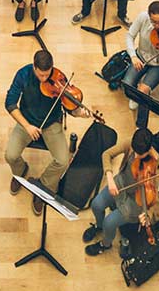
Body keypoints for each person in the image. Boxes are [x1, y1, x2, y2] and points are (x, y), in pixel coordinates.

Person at [5, 49, 96, 215]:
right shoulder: (23, 75)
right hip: (28, 122)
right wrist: (27, 126)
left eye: (47, 74)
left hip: (51, 123)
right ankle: (20, 171)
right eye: (40, 75)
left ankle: (43, 185)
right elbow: (10, 103)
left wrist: (79, 113)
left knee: (62, 160)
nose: (44, 79)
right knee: (10, 155)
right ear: (34, 67)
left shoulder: (59, 77)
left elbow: (69, 106)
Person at [85, 126, 159, 257]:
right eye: (134, 152)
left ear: (149, 150)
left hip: (135, 202)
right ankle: (99, 226)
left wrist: (147, 214)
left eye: (139, 154)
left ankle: (105, 244)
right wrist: (110, 177)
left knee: (110, 222)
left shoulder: (157, 167)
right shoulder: (132, 143)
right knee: (96, 204)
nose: (135, 156)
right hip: (120, 184)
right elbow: (106, 154)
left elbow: (153, 196)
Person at [124, 1, 159, 114]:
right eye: (154, 22)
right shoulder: (142, 18)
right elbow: (129, 36)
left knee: (143, 92)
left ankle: (140, 124)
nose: (158, 26)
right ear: (149, 15)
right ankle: (136, 88)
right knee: (127, 84)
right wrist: (133, 56)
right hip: (141, 57)